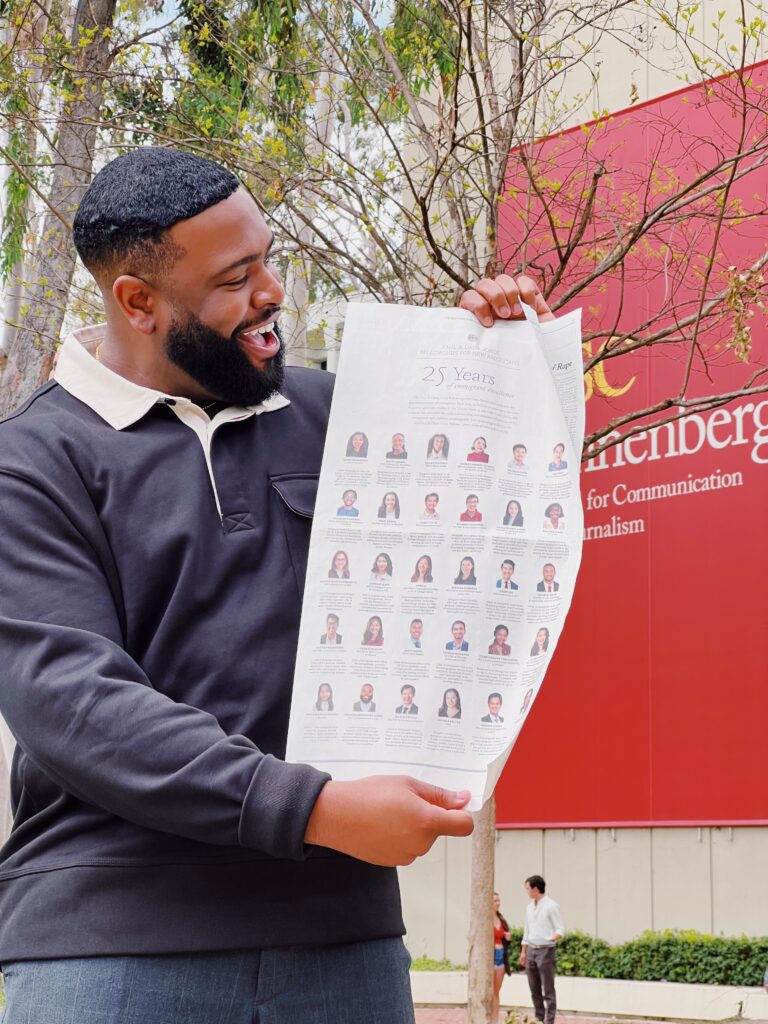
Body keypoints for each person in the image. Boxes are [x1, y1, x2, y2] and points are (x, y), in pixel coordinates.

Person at [0, 145, 554, 1021]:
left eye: (267, 257)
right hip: (110, 947)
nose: (272, 293)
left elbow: (475, 547)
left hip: (342, 942)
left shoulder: (343, 414)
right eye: (235, 278)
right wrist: (314, 809)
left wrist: (492, 364)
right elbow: (72, 701)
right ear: (137, 301)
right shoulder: (31, 463)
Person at [519, 874, 564, 1024]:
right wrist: (523, 952)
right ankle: (539, 1018)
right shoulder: (529, 907)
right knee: (534, 988)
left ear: (536, 889)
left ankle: (549, 1021)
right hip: (531, 950)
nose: (527, 892)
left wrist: (549, 939)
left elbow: (560, 930)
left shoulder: (551, 906)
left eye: (528, 888)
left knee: (548, 989)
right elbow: (527, 930)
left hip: (546, 950)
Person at [493, 891, 512, 1023]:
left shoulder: (501, 919)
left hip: (501, 957)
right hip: (490, 957)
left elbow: (505, 938)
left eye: (498, 900)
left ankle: (495, 1019)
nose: (498, 903)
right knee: (489, 991)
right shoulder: (485, 920)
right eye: (495, 901)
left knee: (496, 991)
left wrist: (507, 938)